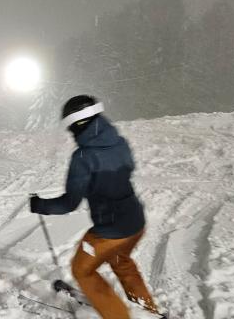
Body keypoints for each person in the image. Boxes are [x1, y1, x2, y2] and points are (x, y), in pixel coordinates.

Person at [30, 95, 164, 319]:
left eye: (71, 127)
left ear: (77, 124)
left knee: (82, 270)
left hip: (110, 231)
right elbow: (128, 168)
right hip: (136, 223)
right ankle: (147, 311)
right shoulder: (119, 142)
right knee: (121, 261)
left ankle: (119, 316)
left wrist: (39, 205)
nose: (71, 133)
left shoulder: (83, 156)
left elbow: (69, 203)